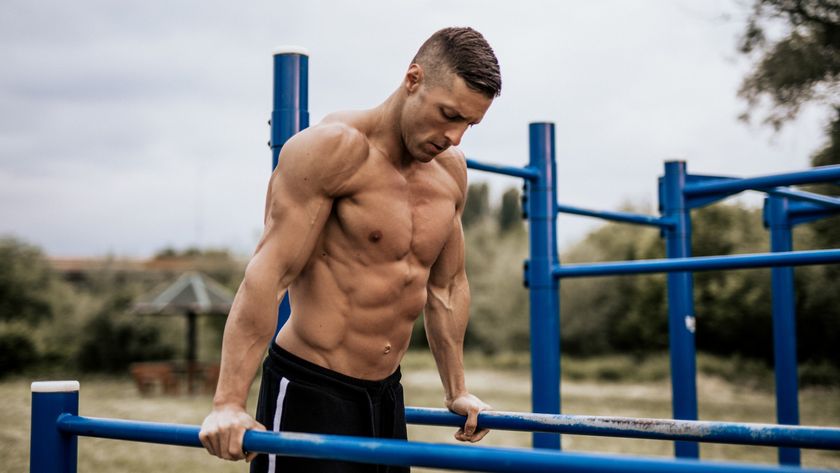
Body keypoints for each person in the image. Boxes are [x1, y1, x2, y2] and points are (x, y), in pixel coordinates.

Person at [199, 26, 502, 473]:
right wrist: (228, 402)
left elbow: (447, 287)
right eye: (448, 115)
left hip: (385, 397)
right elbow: (269, 274)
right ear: (413, 79)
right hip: (310, 387)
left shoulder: (451, 173)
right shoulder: (332, 150)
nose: (455, 137)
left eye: (468, 125)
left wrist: (456, 389)